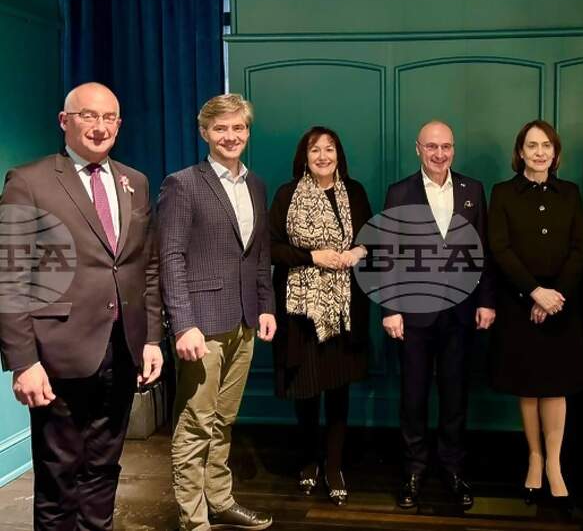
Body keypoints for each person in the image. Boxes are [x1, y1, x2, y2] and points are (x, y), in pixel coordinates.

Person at [0, 82, 164, 530]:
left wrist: (152, 338)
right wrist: (23, 362)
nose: (100, 126)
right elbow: (10, 278)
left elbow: (145, 267)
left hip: (123, 350)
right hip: (58, 356)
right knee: (59, 478)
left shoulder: (135, 182)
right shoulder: (29, 181)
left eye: (109, 117)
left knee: (103, 470)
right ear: (64, 121)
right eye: (88, 116)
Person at [158, 93, 276, 531]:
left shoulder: (256, 184)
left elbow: (259, 254)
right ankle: (194, 520)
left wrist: (266, 306)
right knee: (195, 423)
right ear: (204, 132)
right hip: (201, 326)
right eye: (221, 128)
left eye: (238, 127)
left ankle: (220, 500)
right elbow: (170, 257)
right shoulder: (183, 184)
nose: (231, 136)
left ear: (248, 132)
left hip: (244, 320)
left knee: (224, 419)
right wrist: (183, 324)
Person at [382, 120, 496, 510]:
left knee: (455, 397)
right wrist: (391, 308)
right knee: (413, 398)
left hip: (461, 314)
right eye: (431, 146)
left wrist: (486, 301)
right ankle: (413, 471)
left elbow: (483, 251)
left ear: (453, 149)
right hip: (413, 316)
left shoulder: (472, 190)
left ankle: (453, 469)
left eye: (446, 146)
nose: (439, 154)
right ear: (418, 149)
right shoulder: (400, 192)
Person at [488, 120, 583, 510]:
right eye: (532, 145)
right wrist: (534, 292)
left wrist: (554, 296)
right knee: (528, 385)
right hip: (520, 303)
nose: (539, 152)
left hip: (562, 304)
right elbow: (500, 248)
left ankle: (555, 464)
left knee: (556, 384)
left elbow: (580, 248)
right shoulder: (502, 193)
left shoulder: (571, 193)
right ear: (520, 152)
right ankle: (534, 458)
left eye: (546, 145)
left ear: (555, 152)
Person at [270, 126, 372, 506]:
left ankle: (334, 465)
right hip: (301, 312)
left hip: (344, 310)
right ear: (305, 156)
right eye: (316, 150)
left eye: (330, 149)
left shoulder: (355, 192)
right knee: (307, 388)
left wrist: (356, 253)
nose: (323, 156)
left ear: (338, 155)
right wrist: (313, 256)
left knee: (338, 388)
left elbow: (370, 239)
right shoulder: (287, 194)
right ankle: (309, 460)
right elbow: (271, 248)